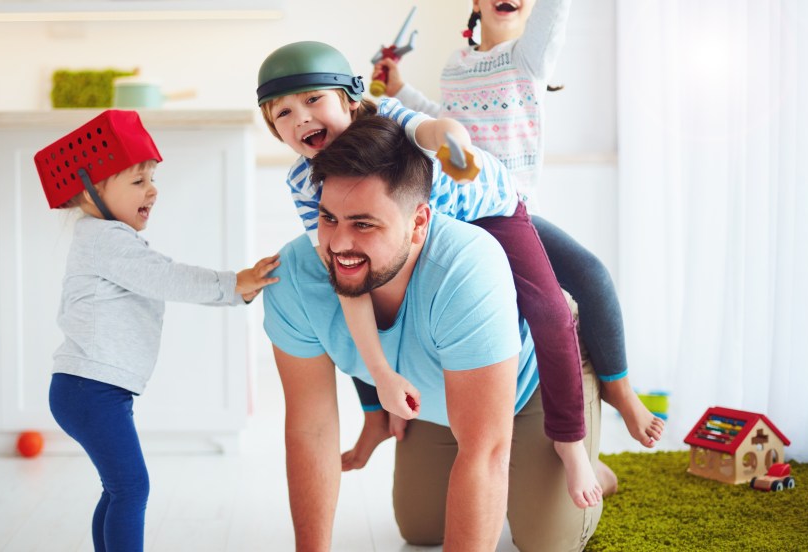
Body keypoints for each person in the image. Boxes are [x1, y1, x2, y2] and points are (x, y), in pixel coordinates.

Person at [258, 40, 602, 508]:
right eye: (283, 113)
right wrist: (382, 373)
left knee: (548, 309)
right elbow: (347, 274)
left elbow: (434, 128)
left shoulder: (387, 117)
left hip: (485, 212)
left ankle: (569, 440)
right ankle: (378, 416)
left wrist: (454, 144)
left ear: (351, 100)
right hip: (417, 237)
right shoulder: (304, 182)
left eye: (313, 100)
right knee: (360, 303)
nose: (301, 118)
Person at [374, 0, 664, 452]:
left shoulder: (528, 56)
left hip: (511, 212)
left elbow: (555, 11)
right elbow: (446, 119)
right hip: (460, 214)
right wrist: (399, 90)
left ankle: (619, 391)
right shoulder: (456, 64)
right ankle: (384, 407)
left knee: (591, 276)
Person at [33, 109, 279, 552]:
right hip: (90, 390)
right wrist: (233, 283)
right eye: (137, 180)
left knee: (119, 489)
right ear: (89, 192)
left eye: (152, 178)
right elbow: (167, 277)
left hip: (91, 389)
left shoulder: (106, 238)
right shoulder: (106, 240)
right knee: (131, 489)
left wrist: (234, 289)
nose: (152, 189)